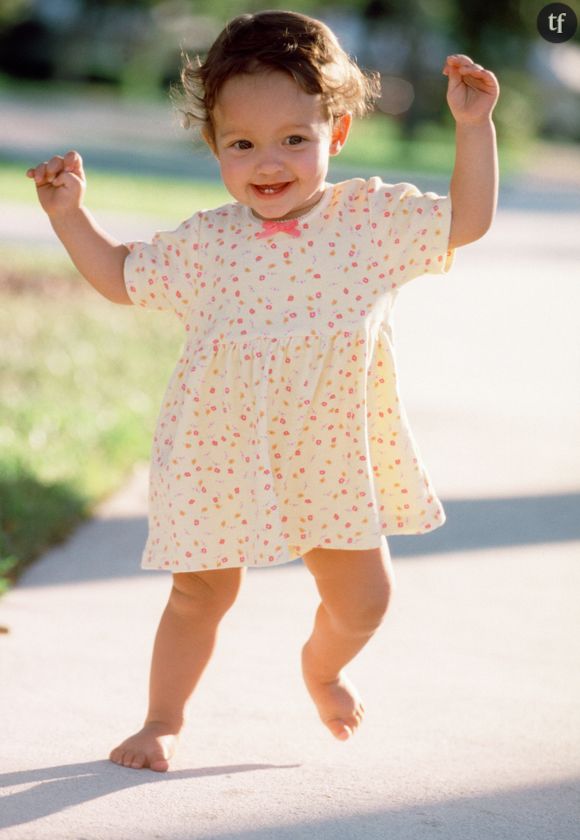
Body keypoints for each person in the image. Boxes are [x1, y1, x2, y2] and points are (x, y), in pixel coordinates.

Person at [26, 10, 499, 772]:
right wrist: (68, 215)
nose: (267, 162)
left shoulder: (370, 223)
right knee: (198, 595)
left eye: (293, 140)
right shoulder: (209, 243)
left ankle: (323, 669)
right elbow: (119, 275)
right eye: (241, 143)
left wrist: (474, 128)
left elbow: (467, 221)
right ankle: (161, 720)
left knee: (364, 601)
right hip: (221, 452)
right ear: (214, 145)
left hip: (331, 453)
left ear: (336, 134)